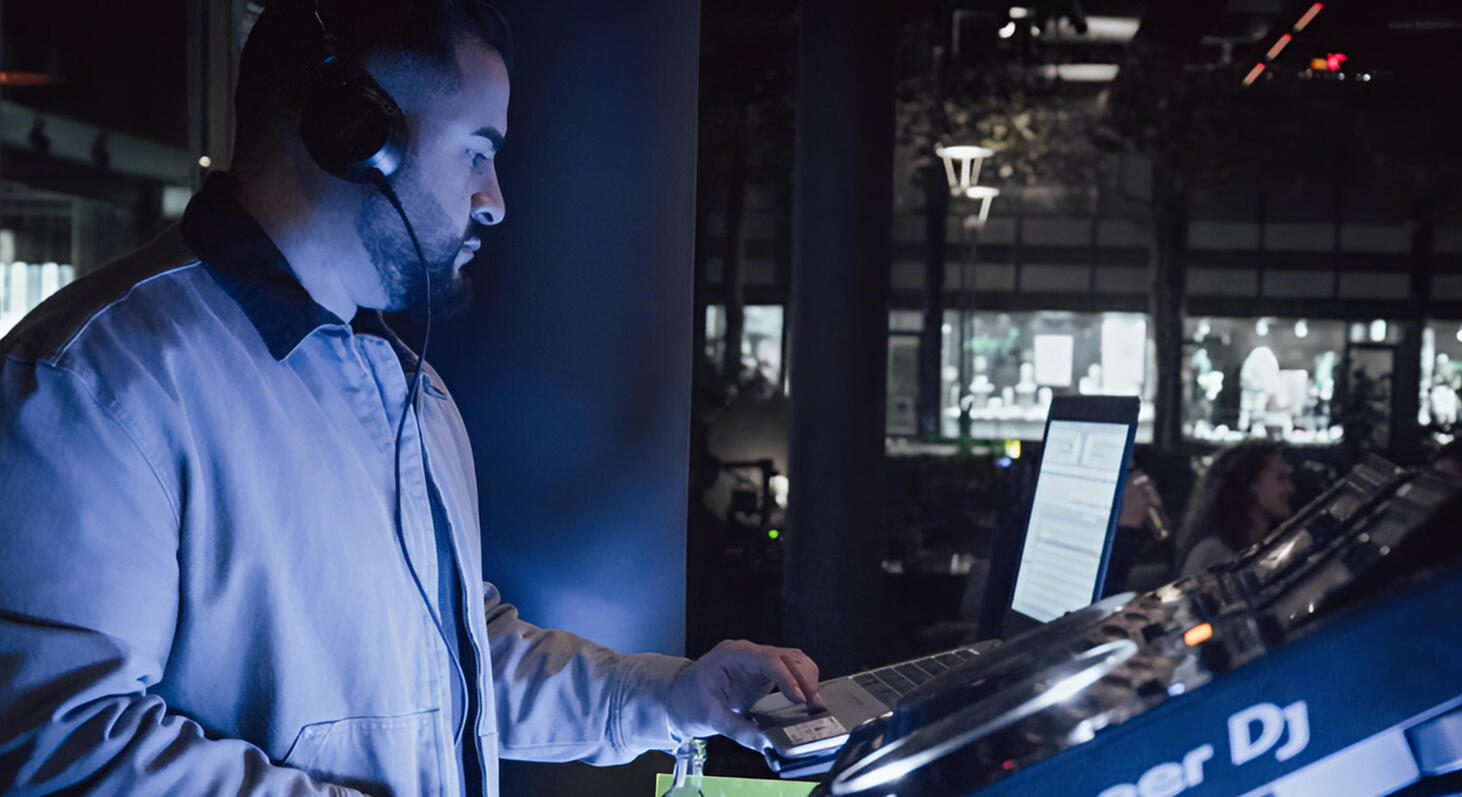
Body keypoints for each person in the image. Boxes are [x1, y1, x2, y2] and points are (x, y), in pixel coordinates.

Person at [0, 2, 821, 795]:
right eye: (476, 150)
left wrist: (677, 699)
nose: (495, 199)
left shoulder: (412, 390)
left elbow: (458, 660)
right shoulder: (90, 382)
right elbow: (58, 743)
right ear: (355, 137)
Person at [1174, 440, 1295, 577]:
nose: (1291, 489)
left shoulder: (1274, 549)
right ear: (1250, 484)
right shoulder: (1211, 555)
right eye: (1280, 478)